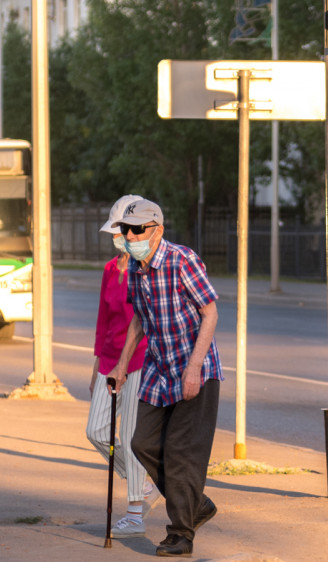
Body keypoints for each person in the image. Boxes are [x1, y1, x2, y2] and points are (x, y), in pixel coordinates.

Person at [108, 199, 223, 557]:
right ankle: (195, 504)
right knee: (142, 443)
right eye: (125, 230)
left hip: (195, 371)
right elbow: (139, 320)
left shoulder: (181, 260)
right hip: (160, 371)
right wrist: (121, 366)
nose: (130, 236)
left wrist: (193, 367)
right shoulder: (138, 269)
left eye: (137, 230)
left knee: (181, 453)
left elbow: (210, 313)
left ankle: (181, 534)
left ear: (157, 230)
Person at [85, 194, 163, 539]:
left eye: (125, 231)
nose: (122, 238)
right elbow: (104, 321)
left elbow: (148, 322)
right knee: (97, 431)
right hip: (109, 362)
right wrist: (97, 367)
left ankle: (134, 512)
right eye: (117, 232)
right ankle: (144, 484)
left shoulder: (148, 270)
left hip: (141, 361)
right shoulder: (108, 270)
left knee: (130, 438)